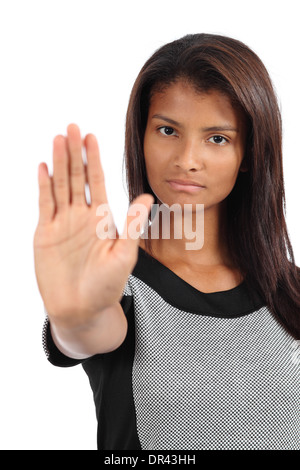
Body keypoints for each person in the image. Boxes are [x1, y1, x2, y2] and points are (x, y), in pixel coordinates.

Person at [34, 33, 300, 450]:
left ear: (248, 153)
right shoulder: (117, 282)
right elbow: (88, 330)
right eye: (167, 130)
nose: (186, 159)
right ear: (141, 136)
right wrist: (76, 316)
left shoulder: (291, 290)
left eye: (217, 138)